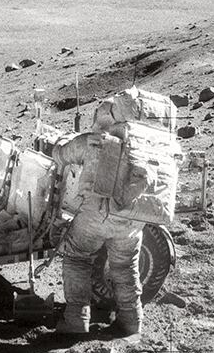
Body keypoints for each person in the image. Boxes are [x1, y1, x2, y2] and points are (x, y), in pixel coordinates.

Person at [51, 111, 144, 337]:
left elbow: (61, 155)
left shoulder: (93, 141)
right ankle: (131, 321)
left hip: (97, 216)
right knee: (125, 267)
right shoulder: (145, 146)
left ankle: (77, 319)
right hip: (132, 220)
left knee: (77, 257)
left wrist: (60, 143)